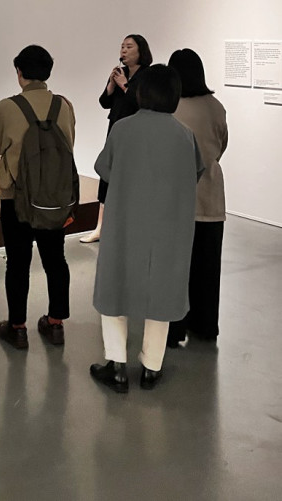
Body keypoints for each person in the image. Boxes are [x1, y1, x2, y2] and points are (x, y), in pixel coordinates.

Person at [90, 64, 203, 393]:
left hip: (125, 222)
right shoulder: (185, 135)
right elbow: (195, 173)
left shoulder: (123, 129)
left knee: (114, 288)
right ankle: (152, 367)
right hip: (170, 226)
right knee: (162, 293)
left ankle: (117, 365)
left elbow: (104, 168)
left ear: (141, 93)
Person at [0, 45, 76, 350]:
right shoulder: (64, 106)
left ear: (19, 72)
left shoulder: (6, 107)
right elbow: (69, 142)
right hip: (54, 196)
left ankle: (17, 328)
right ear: (47, 73)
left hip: (16, 197)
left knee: (17, 262)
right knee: (55, 259)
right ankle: (56, 323)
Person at [167, 49, 228, 345]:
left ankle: (175, 327)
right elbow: (222, 144)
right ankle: (205, 326)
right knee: (208, 266)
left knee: (176, 268)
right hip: (211, 196)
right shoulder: (216, 107)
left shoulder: (170, 109)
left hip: (176, 198)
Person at [81, 33, 152, 244]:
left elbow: (142, 103)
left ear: (141, 51)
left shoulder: (147, 76)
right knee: (107, 174)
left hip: (135, 133)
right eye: (122, 46)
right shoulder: (120, 73)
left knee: (129, 177)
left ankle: (126, 227)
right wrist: (112, 85)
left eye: (129, 46)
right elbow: (105, 103)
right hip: (115, 129)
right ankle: (100, 227)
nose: (123, 50)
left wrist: (124, 85)